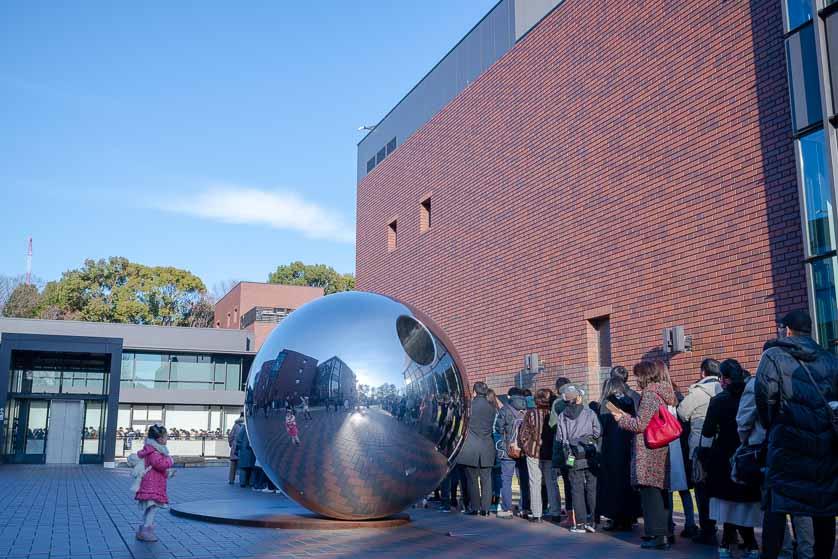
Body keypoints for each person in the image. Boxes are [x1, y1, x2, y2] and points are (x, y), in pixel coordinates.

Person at [756, 310, 838, 559]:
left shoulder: (772, 356)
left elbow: (765, 398)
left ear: (787, 329)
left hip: (787, 440)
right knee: (823, 506)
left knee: (777, 505)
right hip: (824, 443)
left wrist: (775, 424)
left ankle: (771, 555)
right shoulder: (830, 358)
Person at [697, 359, 761, 559]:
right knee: (744, 502)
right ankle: (751, 545)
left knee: (727, 502)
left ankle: (726, 544)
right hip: (747, 455)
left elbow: (707, 431)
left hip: (722, 455)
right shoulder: (751, 397)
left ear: (724, 379)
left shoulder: (719, 401)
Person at [612, 360, 677, 550]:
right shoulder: (663, 393)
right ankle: (662, 532)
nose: (636, 380)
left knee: (651, 495)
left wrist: (622, 418)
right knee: (660, 493)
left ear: (645, 376)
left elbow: (640, 425)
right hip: (660, 447)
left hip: (649, 450)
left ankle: (657, 535)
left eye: (638, 376)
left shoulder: (649, 396)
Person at [677, 358, 722, 544]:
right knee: (721, 489)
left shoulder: (697, 392)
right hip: (722, 447)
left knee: (702, 490)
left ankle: (707, 529)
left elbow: (682, 413)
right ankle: (730, 530)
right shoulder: (724, 390)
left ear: (703, 372)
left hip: (700, 447)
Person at [596, 367, 642, 531]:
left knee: (613, 483)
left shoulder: (608, 402)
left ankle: (616, 518)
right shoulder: (632, 398)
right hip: (630, 444)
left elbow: (601, 428)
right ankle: (630, 516)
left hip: (611, 448)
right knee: (629, 482)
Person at [555, 384, 601, 533]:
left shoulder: (562, 416)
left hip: (572, 456)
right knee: (592, 488)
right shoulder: (589, 412)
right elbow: (598, 432)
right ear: (578, 398)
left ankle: (580, 523)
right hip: (590, 453)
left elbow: (561, 438)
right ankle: (593, 521)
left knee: (576, 489)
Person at [456, 382, 497, 516]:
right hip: (487, 446)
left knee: (472, 480)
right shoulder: (492, 408)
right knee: (486, 479)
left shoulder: (470, 407)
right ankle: (485, 509)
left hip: (471, 446)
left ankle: (474, 508)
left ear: (474, 391)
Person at [518, 388, 558, 523]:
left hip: (534, 452)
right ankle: (556, 512)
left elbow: (523, 433)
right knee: (552, 482)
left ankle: (537, 514)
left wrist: (527, 447)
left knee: (535, 482)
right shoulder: (554, 413)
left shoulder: (531, 413)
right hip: (550, 452)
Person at [134, 424, 175, 543]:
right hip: (152, 485)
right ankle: (146, 529)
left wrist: (168, 474)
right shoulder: (155, 452)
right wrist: (170, 460)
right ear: (160, 439)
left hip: (152, 483)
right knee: (153, 507)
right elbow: (159, 465)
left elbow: (156, 469)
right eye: (166, 436)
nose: (167, 439)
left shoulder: (152, 450)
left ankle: (145, 528)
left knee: (151, 506)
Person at [495, 387, 527, 518]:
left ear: (510, 396)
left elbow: (498, 428)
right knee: (524, 480)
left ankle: (507, 509)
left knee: (506, 479)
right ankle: (525, 508)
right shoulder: (527, 409)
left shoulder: (505, 410)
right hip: (524, 450)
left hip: (509, 449)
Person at [550, 377, 574, 526]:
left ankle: (571, 516)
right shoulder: (581, 400)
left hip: (566, 449)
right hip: (580, 449)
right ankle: (585, 514)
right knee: (578, 481)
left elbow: (553, 424)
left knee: (568, 481)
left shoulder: (558, 403)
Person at [236, 422, 255, 486]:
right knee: (252, 468)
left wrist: (238, 446)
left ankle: (242, 483)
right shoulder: (256, 426)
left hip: (244, 450)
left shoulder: (245, 426)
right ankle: (251, 483)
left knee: (243, 468)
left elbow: (239, 437)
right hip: (253, 450)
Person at [227, 413, 244, 485]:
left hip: (235, 446)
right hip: (243, 448)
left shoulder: (235, 425)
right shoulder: (247, 425)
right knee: (243, 465)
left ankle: (231, 480)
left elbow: (230, 436)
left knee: (233, 464)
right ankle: (243, 481)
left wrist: (231, 444)